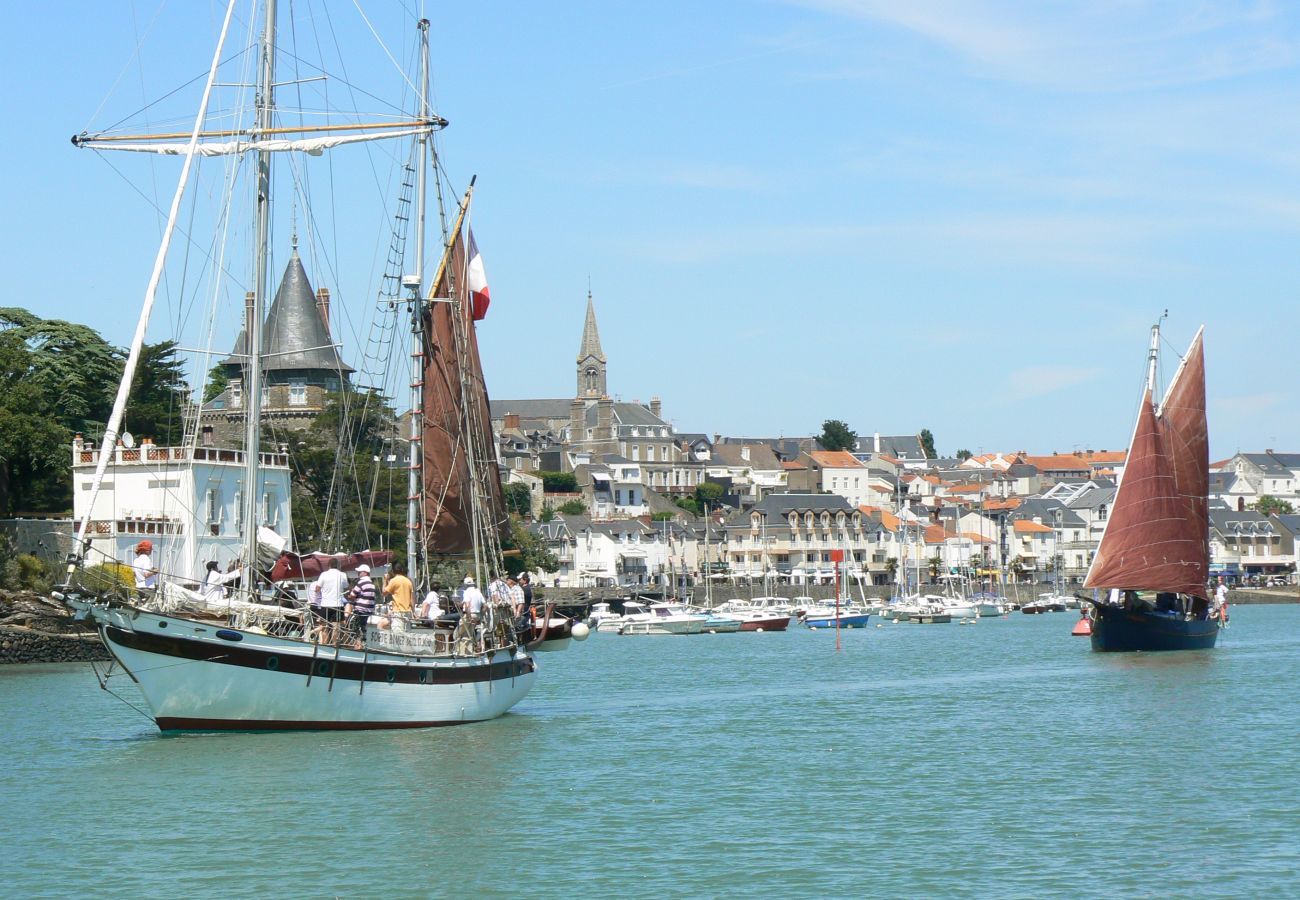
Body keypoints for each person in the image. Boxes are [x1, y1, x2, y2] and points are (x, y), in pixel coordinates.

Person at [310, 558, 349, 643]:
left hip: (325, 605)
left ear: (329, 565)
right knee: (336, 628)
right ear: (338, 566)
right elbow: (346, 586)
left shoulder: (324, 574)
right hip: (338, 605)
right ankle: (335, 645)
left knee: (324, 627)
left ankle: (324, 643)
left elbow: (317, 589)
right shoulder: (343, 575)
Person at [344, 563, 377, 648]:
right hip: (369, 610)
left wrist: (349, 596)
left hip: (360, 609)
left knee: (355, 628)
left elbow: (352, 595)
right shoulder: (371, 584)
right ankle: (364, 644)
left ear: (365, 573)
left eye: (360, 572)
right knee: (364, 628)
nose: (358, 573)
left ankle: (358, 645)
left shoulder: (361, 582)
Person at [383, 562, 415, 632]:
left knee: (397, 636)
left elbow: (384, 593)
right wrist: (414, 612)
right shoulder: (408, 581)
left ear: (393, 571)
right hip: (408, 612)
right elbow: (412, 599)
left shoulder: (393, 581)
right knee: (407, 634)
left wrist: (385, 580)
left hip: (398, 612)